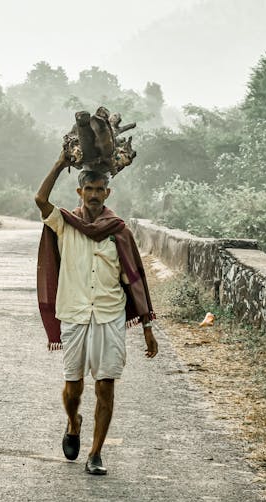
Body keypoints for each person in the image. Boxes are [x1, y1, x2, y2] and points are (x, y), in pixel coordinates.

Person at [35, 151, 158, 475]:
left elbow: (134, 278)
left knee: (106, 385)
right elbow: (40, 198)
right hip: (75, 314)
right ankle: (73, 423)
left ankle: (96, 453)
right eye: (87, 189)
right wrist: (61, 163)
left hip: (109, 314)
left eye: (98, 189)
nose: (92, 195)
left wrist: (147, 326)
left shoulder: (118, 230)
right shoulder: (65, 224)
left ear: (107, 193)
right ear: (79, 192)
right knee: (73, 387)